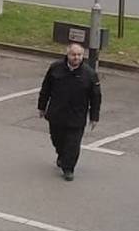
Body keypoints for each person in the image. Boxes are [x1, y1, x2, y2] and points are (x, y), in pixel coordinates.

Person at [37, 39, 101, 180]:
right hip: (57, 113)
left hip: (76, 116)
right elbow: (46, 88)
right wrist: (42, 106)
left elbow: (96, 96)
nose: (76, 57)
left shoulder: (89, 74)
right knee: (57, 139)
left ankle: (68, 168)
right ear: (67, 54)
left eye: (79, 55)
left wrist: (94, 116)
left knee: (73, 143)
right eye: (73, 54)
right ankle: (61, 155)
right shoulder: (55, 68)